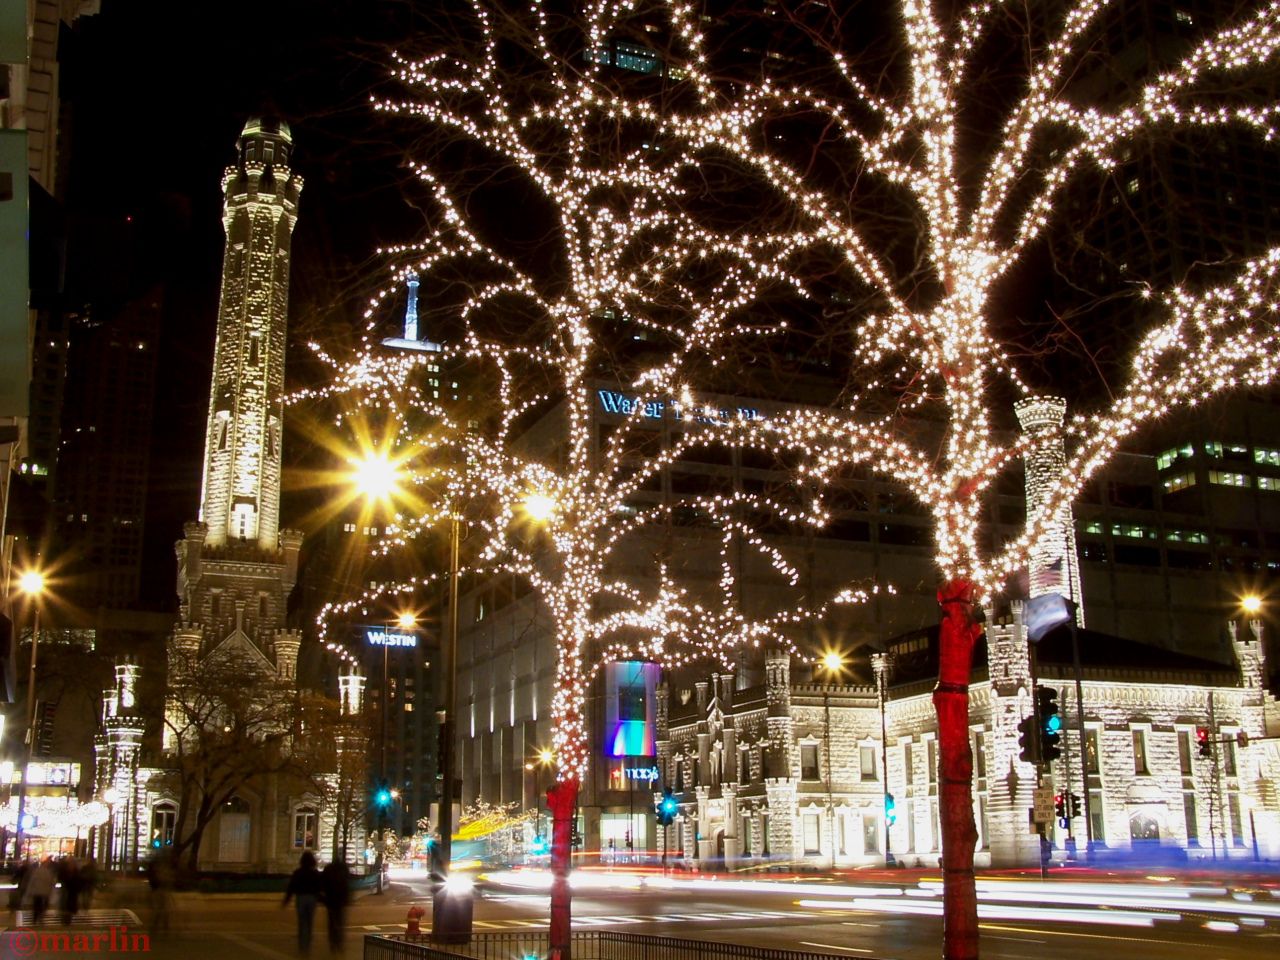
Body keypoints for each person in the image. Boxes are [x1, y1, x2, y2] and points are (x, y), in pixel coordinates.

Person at [283, 851, 323, 954]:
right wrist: (322, 899)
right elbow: (319, 887)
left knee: (301, 921)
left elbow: (292, 887)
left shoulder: (298, 872)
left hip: (301, 898)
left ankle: (301, 943)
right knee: (310, 922)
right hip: (311, 899)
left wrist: (286, 900)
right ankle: (308, 943)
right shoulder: (315, 873)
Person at [320, 857, 350, 953]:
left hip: (330, 899)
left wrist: (322, 897)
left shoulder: (329, 869)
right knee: (339, 921)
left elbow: (323, 883)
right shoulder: (343, 868)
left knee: (332, 922)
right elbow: (346, 883)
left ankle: (333, 943)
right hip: (340, 899)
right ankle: (338, 943)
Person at [145, 850, 175, 936]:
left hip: (158, 890)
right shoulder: (159, 868)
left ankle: (160, 929)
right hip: (160, 890)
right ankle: (160, 929)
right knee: (162, 910)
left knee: (162, 911)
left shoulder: (156, 868)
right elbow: (163, 879)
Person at [26, 857, 56, 924]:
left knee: (36, 906)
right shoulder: (49, 872)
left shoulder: (36, 871)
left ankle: (35, 919)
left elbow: (32, 882)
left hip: (37, 892)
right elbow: (52, 883)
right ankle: (40, 918)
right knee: (43, 906)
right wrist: (51, 891)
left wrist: (29, 892)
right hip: (45, 892)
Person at [57, 857, 81, 923]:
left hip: (72, 891)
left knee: (70, 905)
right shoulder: (65, 871)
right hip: (66, 890)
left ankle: (68, 917)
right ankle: (65, 917)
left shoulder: (76, 872)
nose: (71, 865)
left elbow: (78, 881)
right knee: (65, 903)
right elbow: (60, 878)